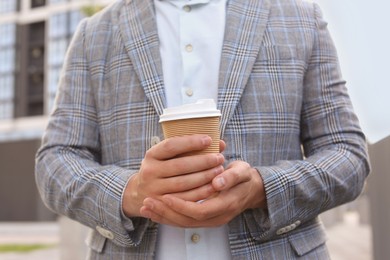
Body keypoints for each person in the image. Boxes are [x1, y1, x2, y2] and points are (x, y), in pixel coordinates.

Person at [35, 0, 370, 259]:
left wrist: (261, 189)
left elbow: (347, 155)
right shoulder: (94, 34)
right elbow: (55, 163)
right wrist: (131, 192)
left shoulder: (301, 19)